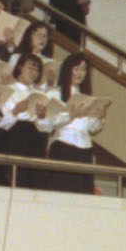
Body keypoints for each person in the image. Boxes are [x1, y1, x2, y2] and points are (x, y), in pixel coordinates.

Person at [48, 52, 103, 194]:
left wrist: (98, 118)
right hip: (63, 146)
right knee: (63, 191)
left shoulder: (87, 97)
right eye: (76, 68)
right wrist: (71, 116)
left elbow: (92, 128)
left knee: (83, 194)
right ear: (68, 69)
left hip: (84, 149)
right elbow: (50, 122)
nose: (80, 73)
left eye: (83, 69)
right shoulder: (55, 93)